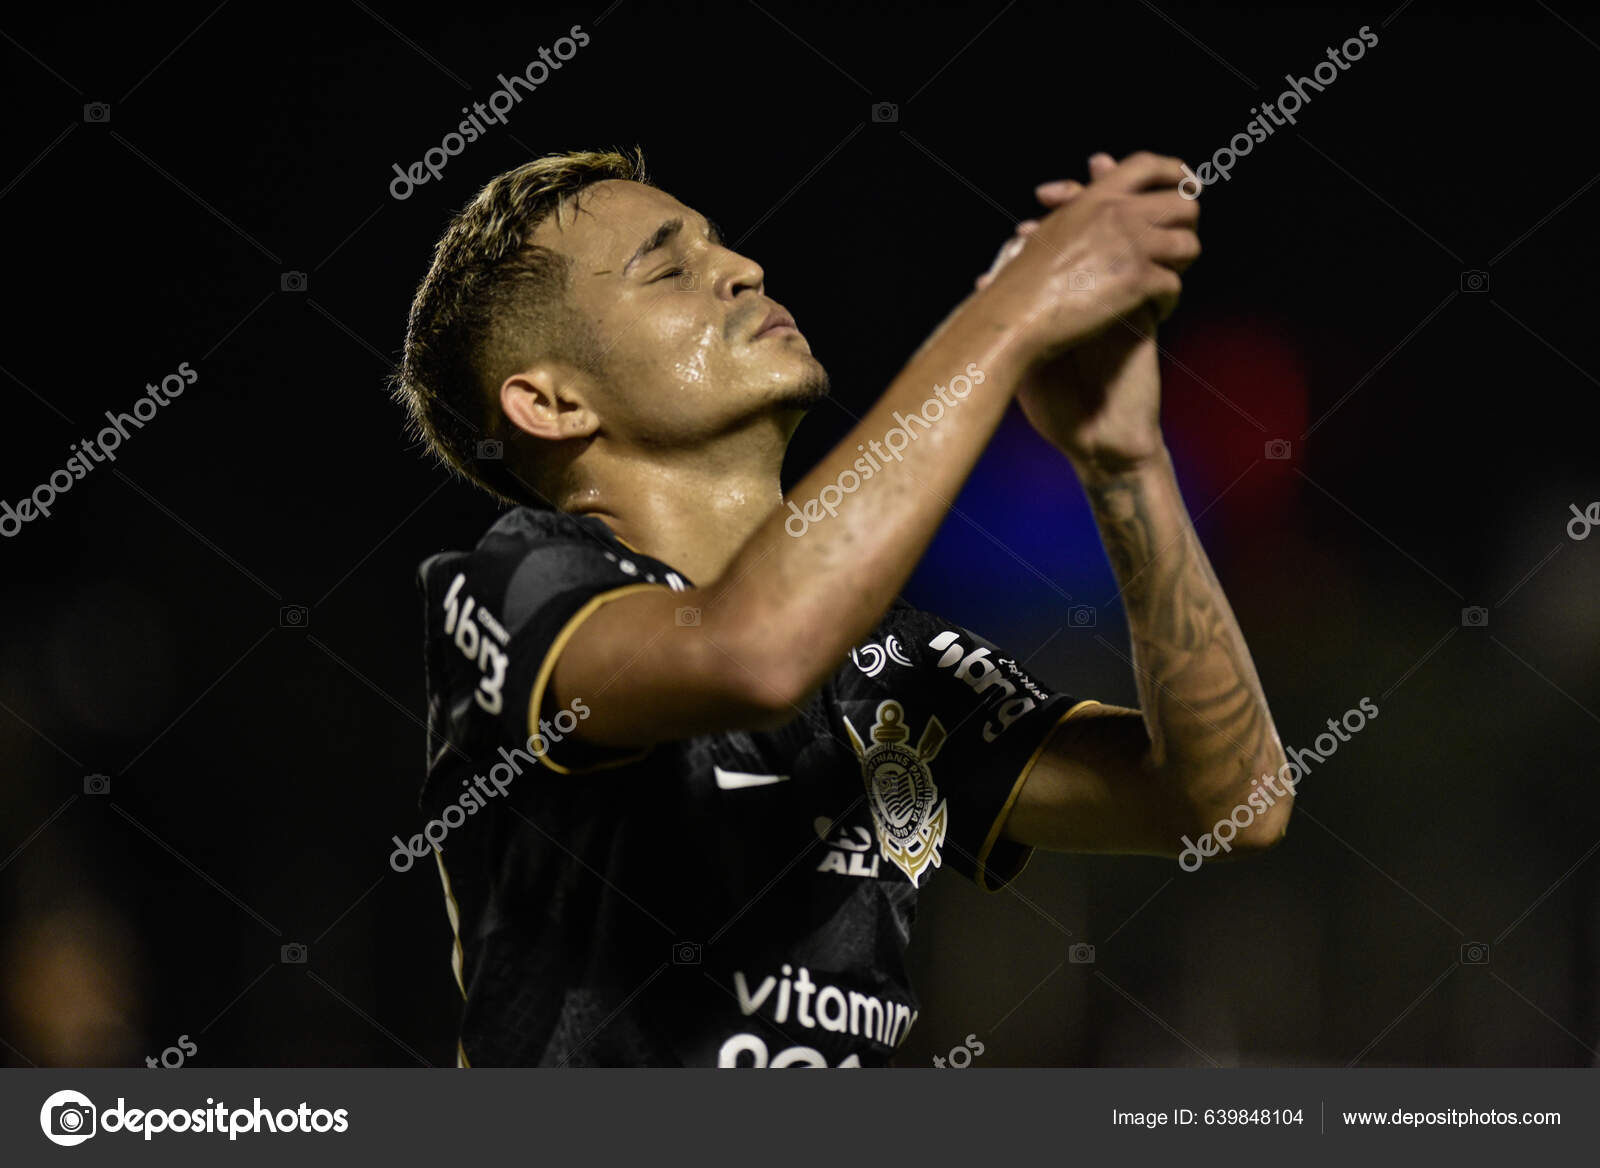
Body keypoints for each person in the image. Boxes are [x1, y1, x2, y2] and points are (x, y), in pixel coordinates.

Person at [391, 146, 1290, 1067]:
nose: (743, 270)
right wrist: (1012, 313)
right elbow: (755, 654)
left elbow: (1230, 804)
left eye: (722, 248)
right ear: (550, 402)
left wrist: (1124, 457)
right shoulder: (514, 592)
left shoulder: (894, 666)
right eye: (668, 269)